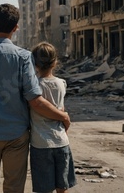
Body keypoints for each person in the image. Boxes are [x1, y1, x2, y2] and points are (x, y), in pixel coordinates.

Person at [0, 3, 70, 193]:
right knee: (14, 188)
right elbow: (34, 100)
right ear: (16, 28)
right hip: (16, 136)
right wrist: (62, 116)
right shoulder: (24, 57)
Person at [30, 42, 77, 193]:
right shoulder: (61, 83)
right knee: (62, 187)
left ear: (34, 63)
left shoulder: (34, 86)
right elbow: (62, 112)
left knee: (44, 189)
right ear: (55, 62)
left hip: (41, 144)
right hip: (62, 142)